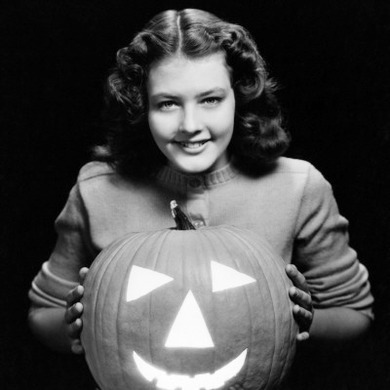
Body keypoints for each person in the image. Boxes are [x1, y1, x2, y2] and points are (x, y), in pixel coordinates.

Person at [28, 6, 373, 374]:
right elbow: (42, 315)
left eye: (210, 99)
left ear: (238, 96)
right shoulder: (97, 189)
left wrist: (302, 318)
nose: (190, 125)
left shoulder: (298, 185)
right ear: (142, 107)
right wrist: (76, 325)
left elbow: (355, 314)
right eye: (168, 103)